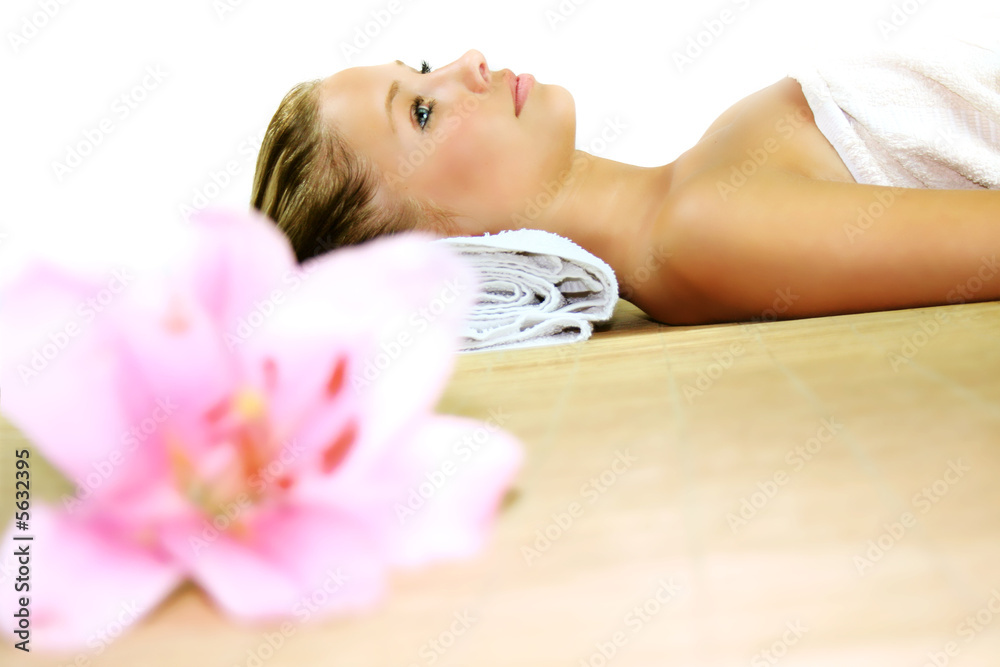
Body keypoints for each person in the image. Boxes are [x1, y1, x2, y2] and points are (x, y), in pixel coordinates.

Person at [250, 49, 1000, 325]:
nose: (468, 63)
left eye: (421, 68)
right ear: (434, 252)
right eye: (421, 112)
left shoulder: (695, 190)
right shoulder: (705, 230)